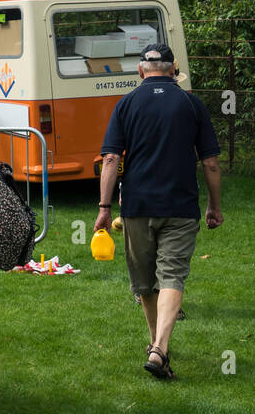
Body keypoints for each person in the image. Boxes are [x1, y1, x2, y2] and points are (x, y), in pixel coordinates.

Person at [95, 43, 223, 380]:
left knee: (146, 282)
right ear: (172, 71)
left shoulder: (126, 104)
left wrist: (104, 208)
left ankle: (157, 345)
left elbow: (110, 159)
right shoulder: (191, 103)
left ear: (140, 71)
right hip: (180, 207)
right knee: (172, 275)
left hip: (136, 207)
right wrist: (214, 205)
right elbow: (209, 162)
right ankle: (159, 348)